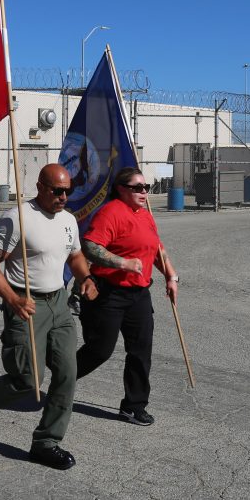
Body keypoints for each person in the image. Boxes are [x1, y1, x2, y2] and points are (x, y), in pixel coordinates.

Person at [0, 163, 95, 470]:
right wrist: (12, 299)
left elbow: (75, 255)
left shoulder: (68, 220)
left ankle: (46, 442)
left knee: (67, 374)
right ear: (40, 187)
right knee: (28, 380)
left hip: (59, 304)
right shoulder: (17, 218)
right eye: (57, 191)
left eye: (68, 191)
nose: (63, 197)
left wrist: (85, 279)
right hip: (25, 304)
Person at [75, 167, 179, 427]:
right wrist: (122, 263)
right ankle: (63, 378)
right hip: (110, 293)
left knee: (141, 352)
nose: (144, 192)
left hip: (139, 295)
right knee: (99, 350)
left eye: (147, 187)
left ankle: (133, 406)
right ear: (121, 189)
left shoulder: (144, 214)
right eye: (138, 187)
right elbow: (89, 245)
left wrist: (171, 276)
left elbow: (156, 248)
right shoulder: (111, 212)